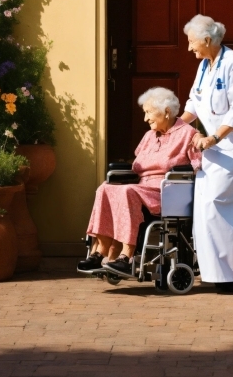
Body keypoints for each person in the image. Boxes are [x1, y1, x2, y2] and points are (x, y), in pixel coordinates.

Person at [79, 87, 200, 278]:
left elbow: (198, 167)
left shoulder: (188, 134)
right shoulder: (149, 136)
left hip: (165, 191)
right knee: (105, 188)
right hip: (142, 186)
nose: (145, 119)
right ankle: (100, 251)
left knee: (128, 192)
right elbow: (136, 166)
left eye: (148, 112)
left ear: (166, 111)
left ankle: (125, 256)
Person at [181, 14, 233, 293]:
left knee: (219, 198)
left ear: (207, 39)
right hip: (213, 143)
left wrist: (214, 137)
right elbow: (195, 100)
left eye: (192, 42)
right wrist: (177, 128)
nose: (189, 47)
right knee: (203, 202)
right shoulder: (205, 64)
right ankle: (217, 273)